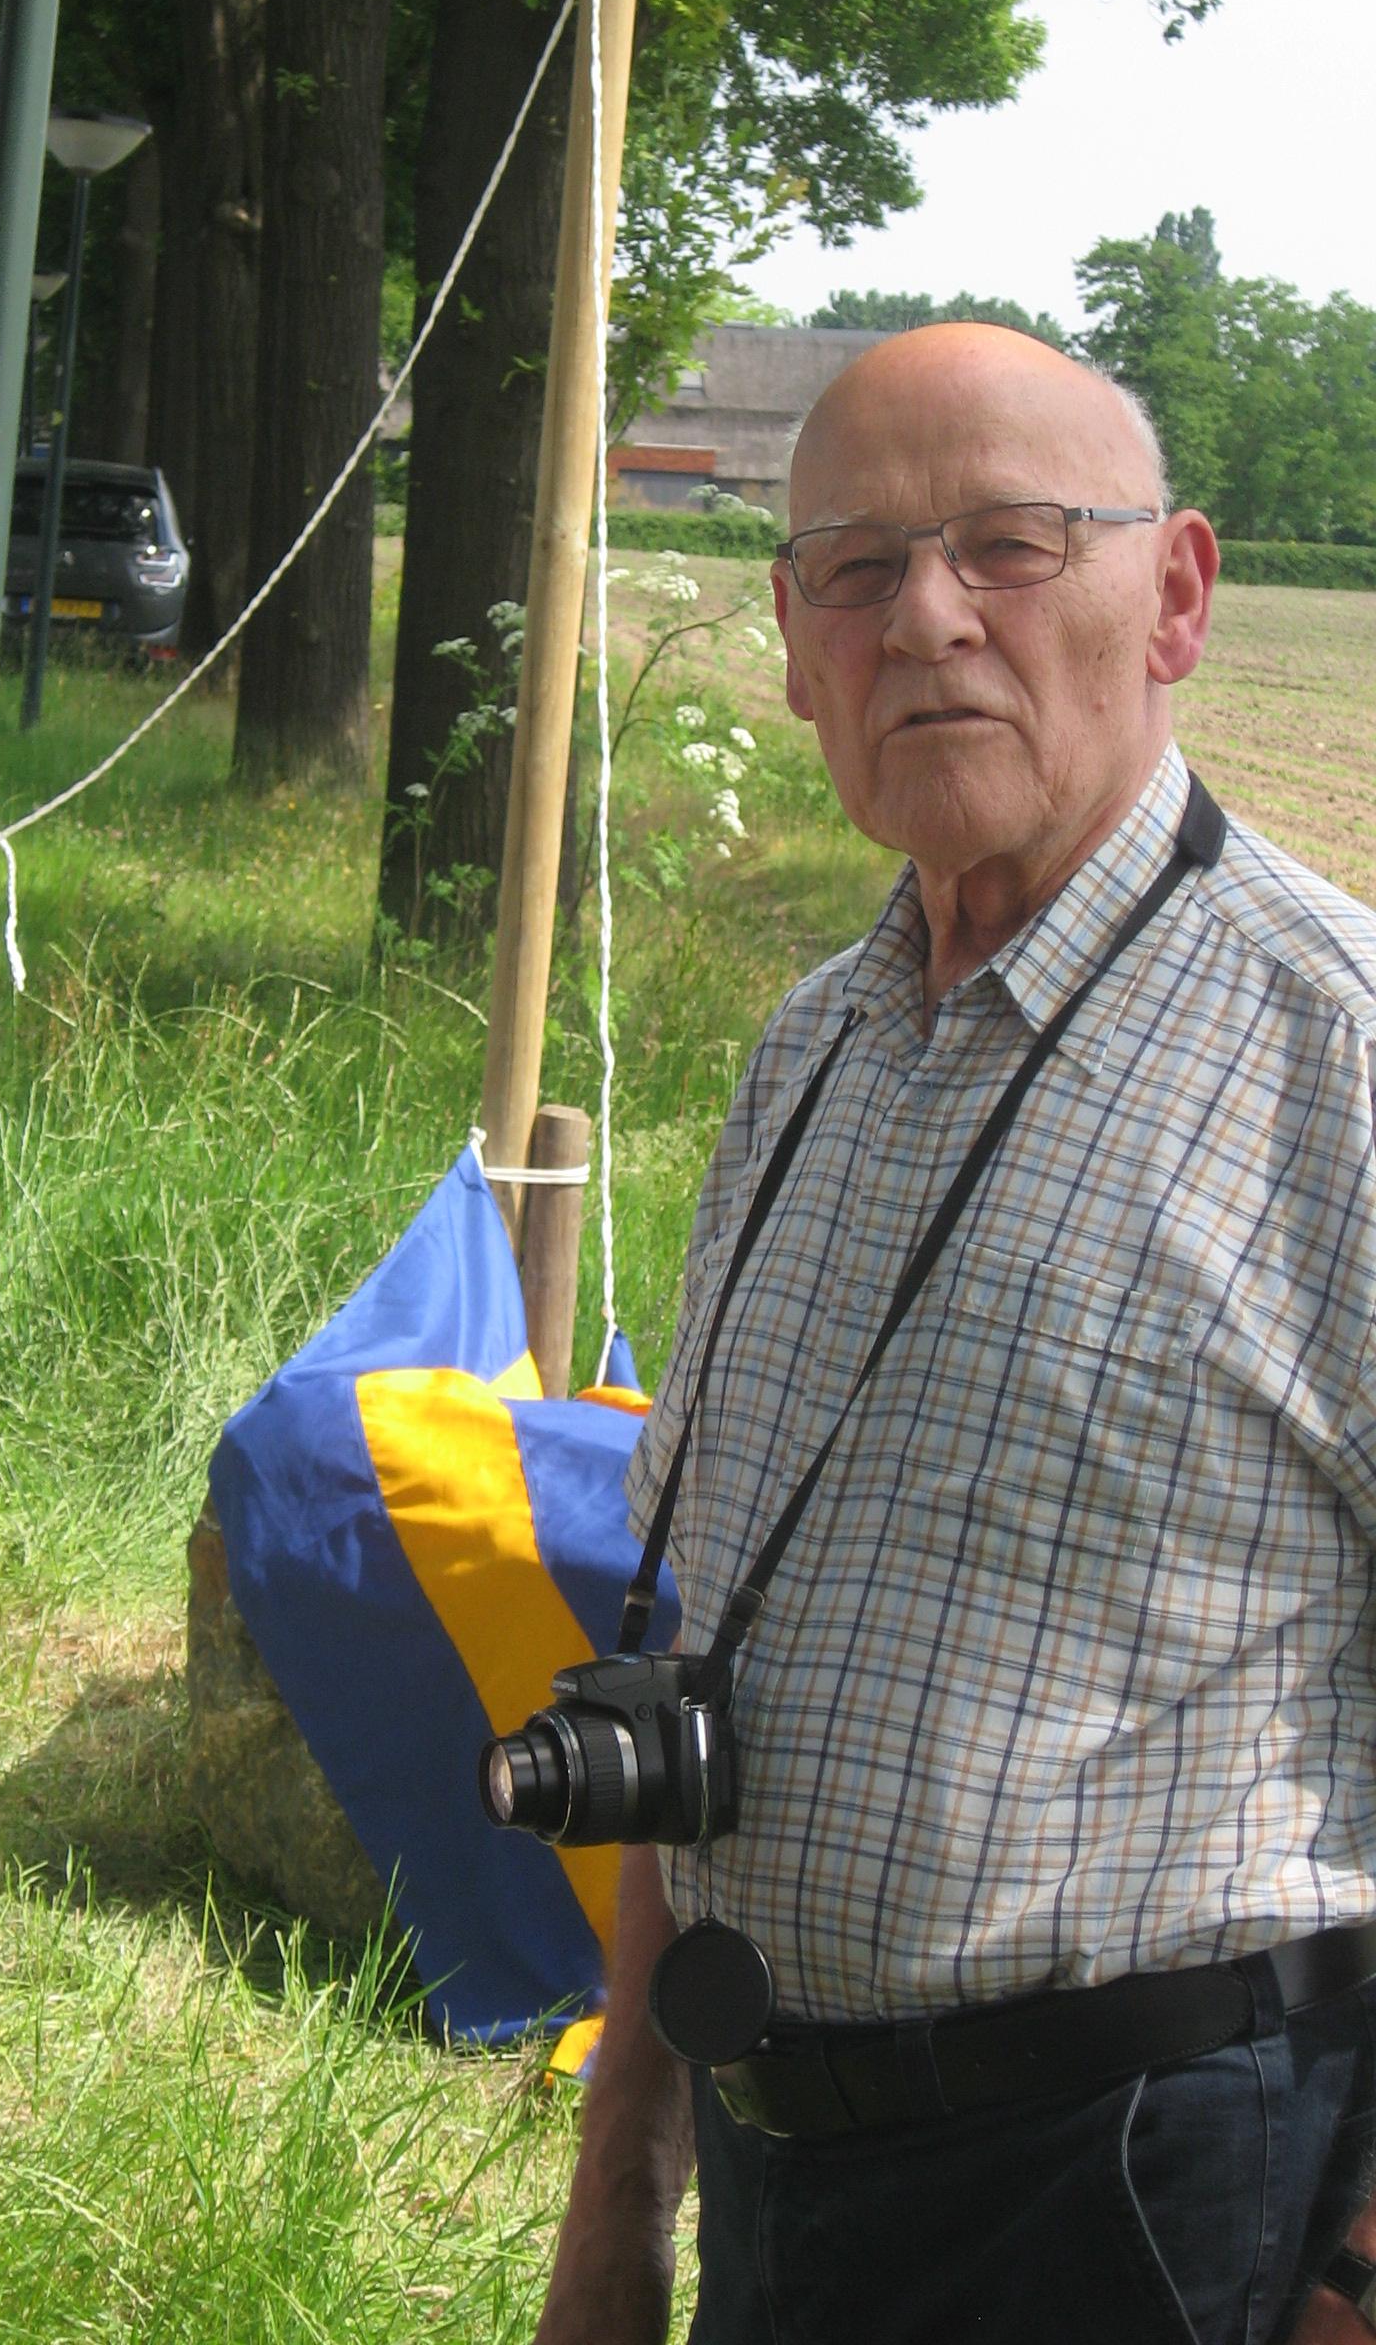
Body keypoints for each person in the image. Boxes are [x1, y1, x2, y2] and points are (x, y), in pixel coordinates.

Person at [533, 324, 1376, 2345]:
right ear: (798, 641)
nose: (927, 619)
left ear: (1172, 594)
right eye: (855, 566)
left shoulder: (1333, 1055)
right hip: (776, 2176)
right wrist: (617, 2194)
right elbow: (701, 1645)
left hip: (1161, 2212)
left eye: (1009, 544)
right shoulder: (810, 1050)